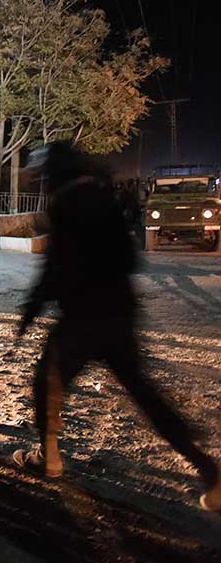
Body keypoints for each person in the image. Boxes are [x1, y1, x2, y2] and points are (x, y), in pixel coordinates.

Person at [13, 142, 220, 511]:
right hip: (119, 314)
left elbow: (55, 268)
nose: (40, 182)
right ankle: (210, 471)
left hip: (82, 318)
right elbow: (128, 257)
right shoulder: (102, 196)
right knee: (145, 395)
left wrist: (30, 312)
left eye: (41, 176)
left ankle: (49, 457)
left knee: (47, 379)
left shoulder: (65, 202)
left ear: (53, 174)